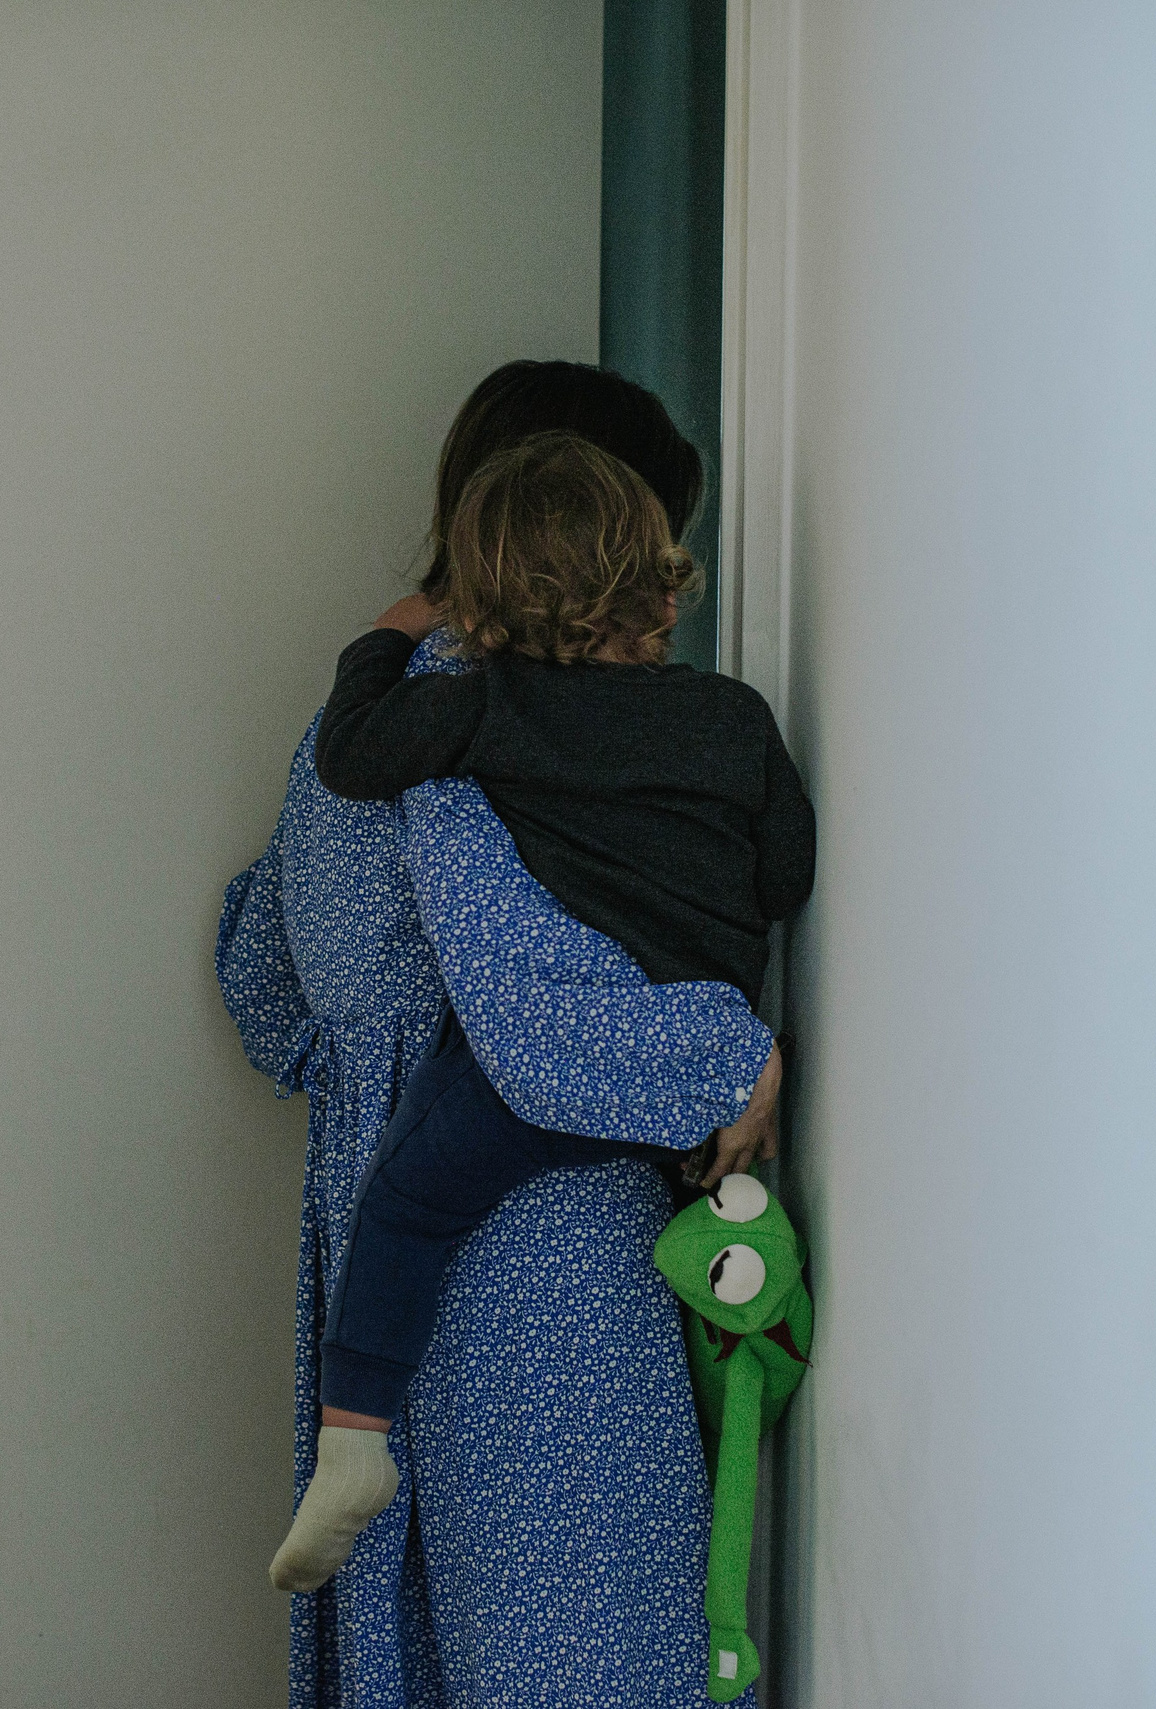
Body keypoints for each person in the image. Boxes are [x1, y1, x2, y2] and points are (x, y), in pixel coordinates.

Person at [216, 360, 785, 1706]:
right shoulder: (489, 727)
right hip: (538, 1268)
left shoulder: (338, 736)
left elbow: (265, 996)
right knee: (594, 1662)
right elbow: (536, 1016)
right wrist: (734, 1054)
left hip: (373, 1264)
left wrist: (379, 1052)